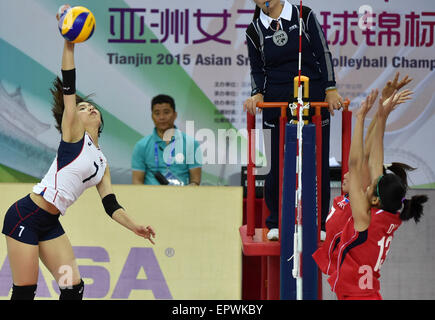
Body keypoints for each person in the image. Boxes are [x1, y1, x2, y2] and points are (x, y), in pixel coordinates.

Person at [1, 5, 156, 300]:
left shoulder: (102, 163)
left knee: (73, 288)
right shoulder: (73, 135)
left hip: (48, 224)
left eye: (91, 107)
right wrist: (69, 42)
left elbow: (111, 205)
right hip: (25, 216)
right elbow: (68, 82)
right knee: (25, 291)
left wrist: (135, 225)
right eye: (82, 107)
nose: (89, 108)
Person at [243, 0, 344, 240]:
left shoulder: (304, 15)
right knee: (275, 164)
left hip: (312, 98)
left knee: (317, 161)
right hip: (276, 103)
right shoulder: (253, 30)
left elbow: (323, 52)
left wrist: (330, 89)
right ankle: (275, 222)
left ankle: (318, 223)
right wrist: (257, 92)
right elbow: (257, 70)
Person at [326, 86, 428, 300]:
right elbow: (374, 162)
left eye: (372, 185)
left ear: (373, 198)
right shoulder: (387, 214)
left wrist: (362, 117)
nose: (369, 183)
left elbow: (356, 165)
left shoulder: (365, 219)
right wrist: (382, 114)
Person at [313, 73, 413, 277]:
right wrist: (382, 109)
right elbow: (372, 144)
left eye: (359, 173)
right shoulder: (366, 200)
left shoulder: (363, 208)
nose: (348, 174)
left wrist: (366, 116)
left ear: (372, 192)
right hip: (343, 273)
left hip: (354, 284)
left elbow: (362, 158)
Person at [131, 94, 202, 186]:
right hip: (151, 198)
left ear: (175, 115)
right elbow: (137, 182)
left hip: (181, 197)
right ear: (152, 116)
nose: (162, 117)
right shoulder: (141, 146)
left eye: (166, 112)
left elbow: (195, 181)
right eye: (157, 113)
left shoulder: (191, 144)